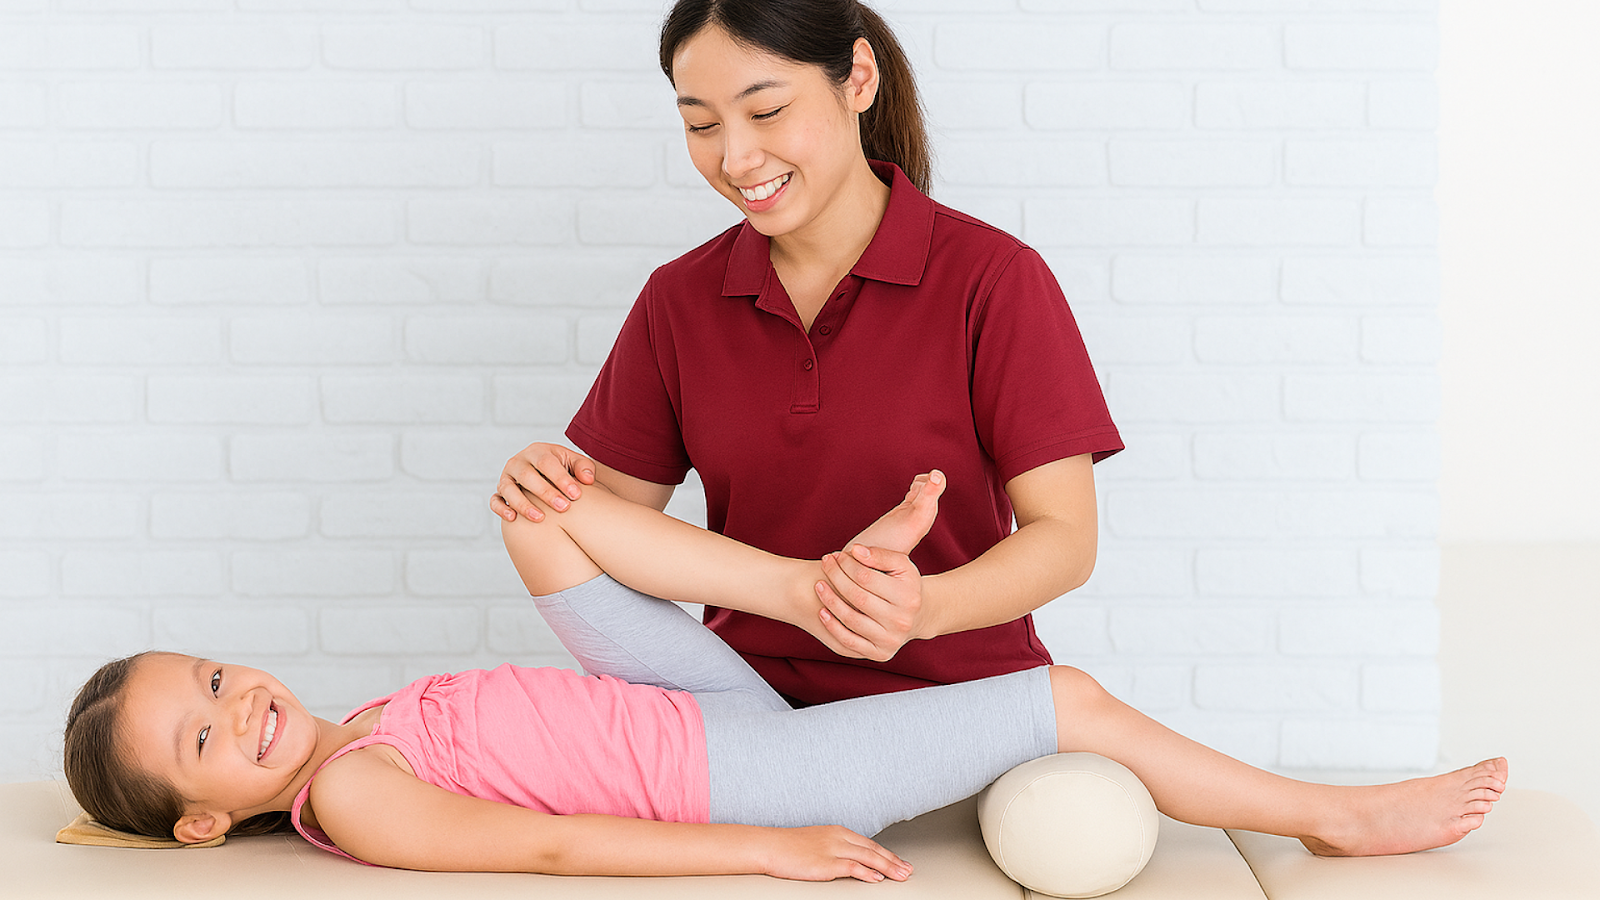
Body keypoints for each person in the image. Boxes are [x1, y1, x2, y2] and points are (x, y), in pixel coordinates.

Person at [64, 469, 1507, 881]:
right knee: (1064, 703)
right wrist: (770, 847)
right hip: (738, 773)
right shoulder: (357, 796)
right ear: (206, 821)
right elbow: (552, 845)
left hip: (691, 711)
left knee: (540, 510)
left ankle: (821, 583)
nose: (236, 705)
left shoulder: (358, 729)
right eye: (203, 739)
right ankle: (1327, 815)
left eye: (212, 677)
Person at [490, 0, 1125, 706]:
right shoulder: (678, 300)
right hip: (746, 707)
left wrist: (922, 609)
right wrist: (546, 482)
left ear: (858, 79)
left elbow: (1065, 537)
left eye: (766, 112)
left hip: (958, 700)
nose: (735, 159)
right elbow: (601, 532)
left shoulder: (993, 279)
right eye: (701, 125)